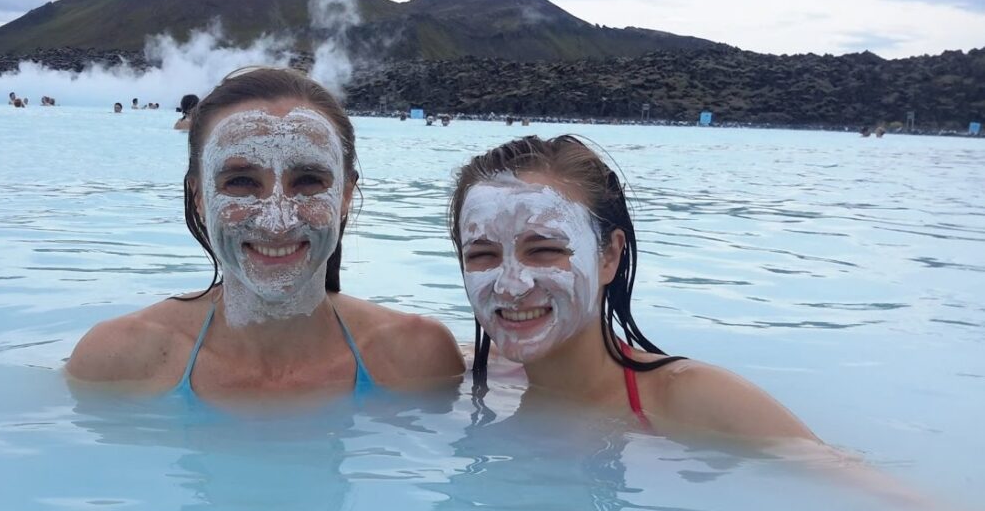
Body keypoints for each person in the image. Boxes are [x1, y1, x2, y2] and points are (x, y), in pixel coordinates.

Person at [67, 67, 464, 404]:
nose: (277, 222)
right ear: (199, 196)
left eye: (308, 181)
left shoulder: (420, 357)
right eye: (241, 182)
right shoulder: (116, 360)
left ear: (345, 194)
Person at [448, 134, 817, 441]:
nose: (512, 286)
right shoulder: (466, 374)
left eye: (544, 250)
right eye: (482, 255)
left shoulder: (696, 401)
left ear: (609, 256)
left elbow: (861, 501)